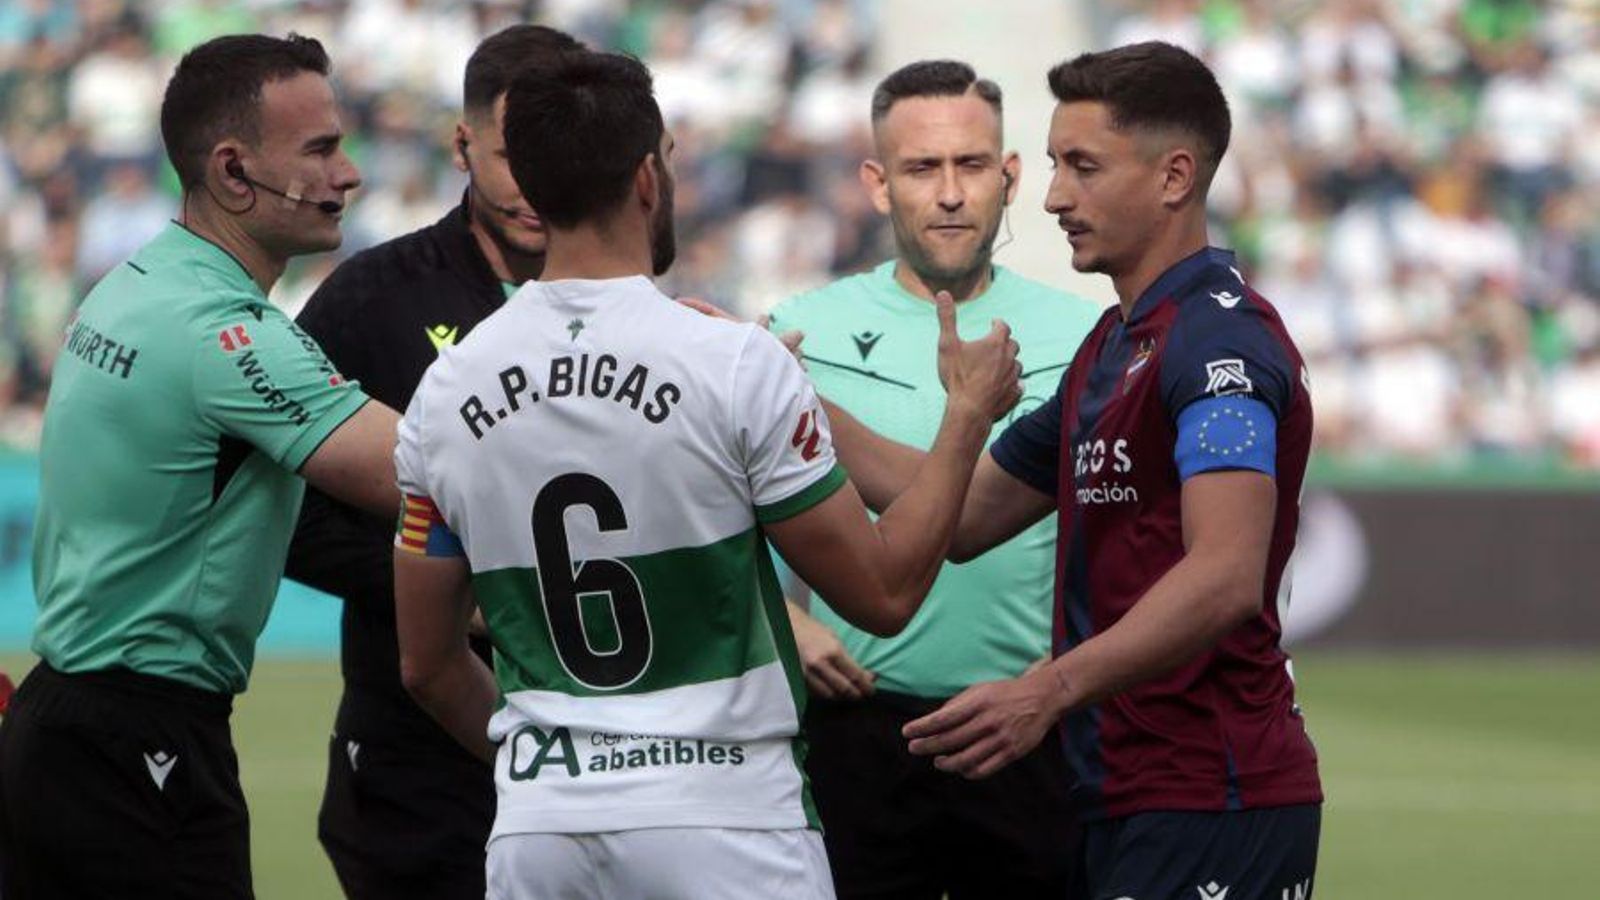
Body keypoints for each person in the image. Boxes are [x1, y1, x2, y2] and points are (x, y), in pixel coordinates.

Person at [390, 50, 1021, 900]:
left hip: (541, 830)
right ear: (649, 177)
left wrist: (562, 773)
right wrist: (967, 418)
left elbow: (427, 666)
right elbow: (884, 591)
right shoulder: (731, 363)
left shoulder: (444, 390)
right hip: (724, 819)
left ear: (531, 191)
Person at [828, 42, 1324, 900]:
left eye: (1083, 167)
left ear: (1174, 178)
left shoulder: (1220, 345)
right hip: (1115, 792)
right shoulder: (1112, 346)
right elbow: (967, 514)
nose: (1055, 196)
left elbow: (1226, 573)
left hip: (1214, 795)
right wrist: (782, 394)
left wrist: (1045, 690)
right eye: (1057, 165)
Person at [0, 33, 399, 899]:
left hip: (57, 724)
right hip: (141, 746)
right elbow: (426, 471)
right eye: (322, 150)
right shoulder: (228, 336)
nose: (349, 175)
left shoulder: (132, 282)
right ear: (231, 170)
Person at [767, 59, 1098, 900]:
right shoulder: (802, 330)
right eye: (922, 168)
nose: (950, 193)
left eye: (972, 165)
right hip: (858, 730)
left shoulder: (1090, 333)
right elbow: (730, 512)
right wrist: (789, 622)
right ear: (879, 185)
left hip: (1029, 725)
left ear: (1010, 176)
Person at [283, 25, 583, 900]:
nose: (533, 185)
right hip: (414, 770)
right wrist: (452, 593)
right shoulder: (371, 298)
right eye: (507, 154)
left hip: (603, 758)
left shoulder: (632, 305)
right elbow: (285, 515)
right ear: (461, 145)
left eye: (555, 154)